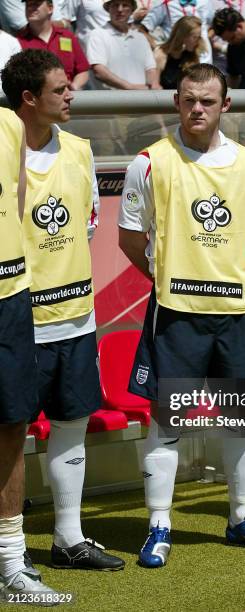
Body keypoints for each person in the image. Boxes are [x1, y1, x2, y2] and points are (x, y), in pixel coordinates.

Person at [118, 63, 245, 567]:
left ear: (226, 106)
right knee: (167, 422)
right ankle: (158, 525)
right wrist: (171, 274)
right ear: (176, 102)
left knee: (243, 420)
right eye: (189, 99)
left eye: (208, 101)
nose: (198, 109)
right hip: (177, 314)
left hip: (238, 313)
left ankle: (242, 517)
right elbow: (131, 238)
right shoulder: (148, 162)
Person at [2, 48, 125, 571]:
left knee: (72, 417)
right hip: (18, 319)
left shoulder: (79, 148)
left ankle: (69, 537)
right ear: (29, 99)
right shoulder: (6, 152)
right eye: (60, 89)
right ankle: (11, 546)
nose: (71, 94)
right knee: (11, 428)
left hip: (75, 312)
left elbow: (90, 221)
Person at [0, 106, 58, 602]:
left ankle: (12, 562)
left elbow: (15, 203)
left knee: (13, 422)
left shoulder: (11, 124)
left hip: (11, 293)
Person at [87, 0, 159, 90]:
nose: (120, 9)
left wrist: (154, 85)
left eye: (125, 5)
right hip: (110, 102)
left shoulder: (140, 38)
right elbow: (98, 71)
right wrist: (130, 88)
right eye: (115, 5)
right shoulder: (97, 34)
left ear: (132, 10)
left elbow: (151, 69)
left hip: (142, 100)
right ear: (108, 9)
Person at [18, 0, 89, 91]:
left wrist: (74, 87)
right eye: (28, 5)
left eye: (36, 4)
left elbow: (83, 70)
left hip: (68, 98)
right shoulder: (18, 41)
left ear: (50, 8)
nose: (30, 8)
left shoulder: (67, 36)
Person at [155, 16, 206, 89]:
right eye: (195, 37)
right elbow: (154, 86)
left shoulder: (192, 56)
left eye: (199, 37)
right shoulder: (161, 55)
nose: (198, 41)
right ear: (183, 37)